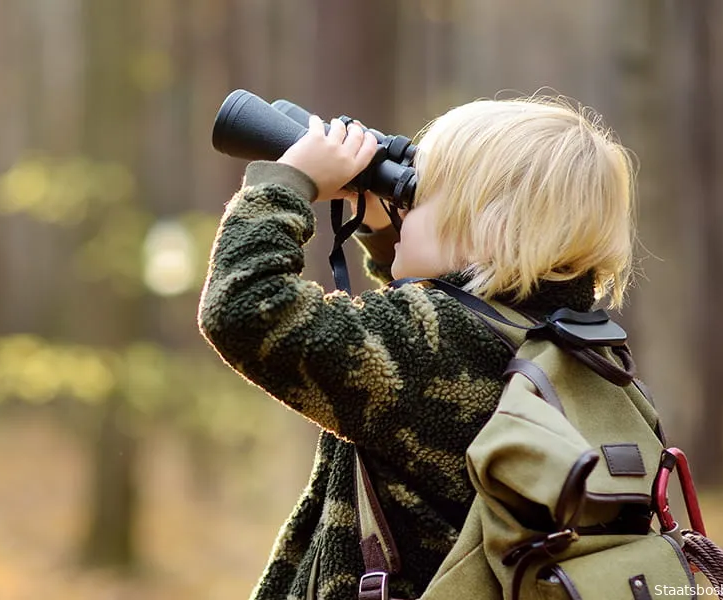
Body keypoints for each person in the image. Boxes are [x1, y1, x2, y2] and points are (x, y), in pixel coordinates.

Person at [198, 97, 636, 600]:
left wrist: (289, 182)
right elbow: (443, 324)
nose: (403, 207)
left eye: (417, 196)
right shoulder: (572, 344)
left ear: (488, 230)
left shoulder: (431, 342)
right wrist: (384, 226)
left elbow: (247, 308)